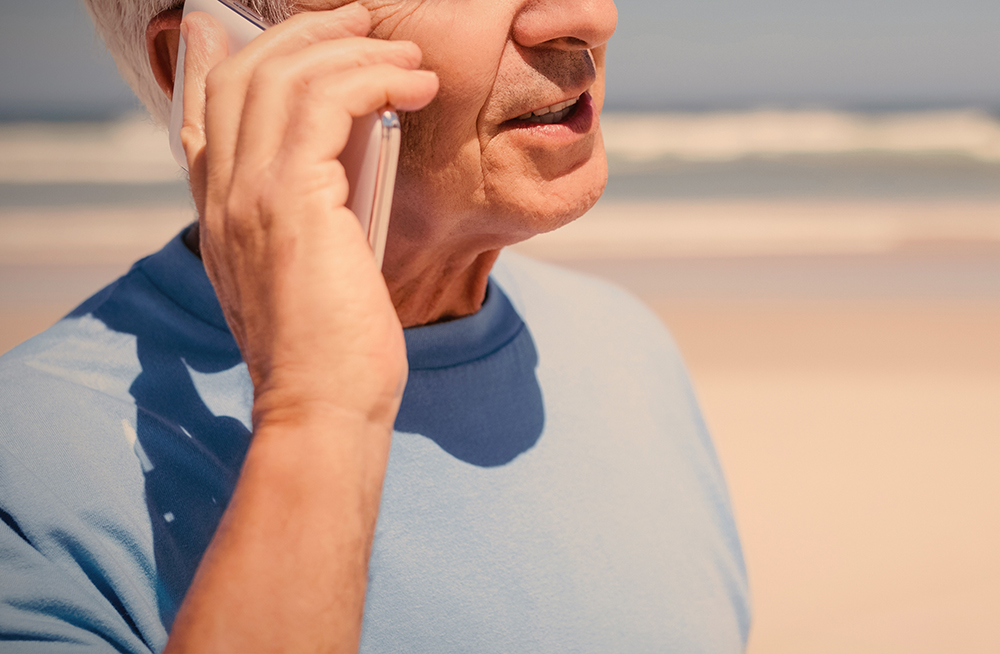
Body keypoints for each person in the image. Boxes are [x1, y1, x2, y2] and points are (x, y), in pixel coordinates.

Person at [0, 0, 750, 651]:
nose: (588, 17)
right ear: (218, 57)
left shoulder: (625, 346)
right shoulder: (30, 473)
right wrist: (318, 409)